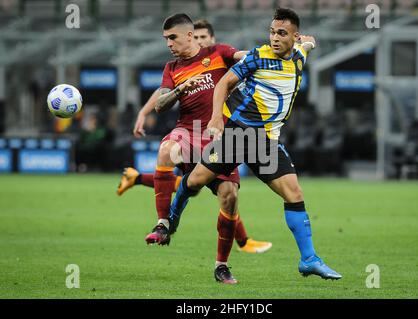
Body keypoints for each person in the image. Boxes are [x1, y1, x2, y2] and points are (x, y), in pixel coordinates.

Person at [168, 8, 342, 283]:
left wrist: (309, 42)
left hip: (266, 143)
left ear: (293, 37)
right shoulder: (258, 57)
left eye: (281, 33)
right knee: (195, 182)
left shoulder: (298, 55)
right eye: (272, 32)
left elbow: (307, 44)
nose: (274, 38)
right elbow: (224, 82)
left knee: (294, 193)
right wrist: (216, 118)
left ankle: (308, 259)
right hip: (238, 135)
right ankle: (172, 218)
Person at [117, 19, 272, 255]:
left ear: (189, 35)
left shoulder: (220, 53)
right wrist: (180, 89)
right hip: (188, 132)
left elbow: (247, 55)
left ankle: (223, 263)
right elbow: (160, 104)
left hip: (220, 136)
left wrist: (279, 50)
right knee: (167, 150)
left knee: (228, 195)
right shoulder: (172, 68)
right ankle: (163, 223)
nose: (168, 43)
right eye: (165, 39)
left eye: (172, 38)